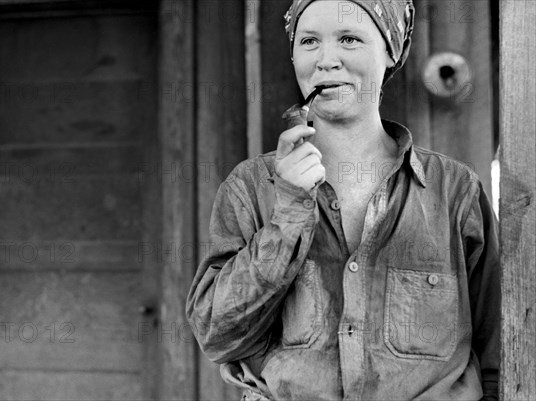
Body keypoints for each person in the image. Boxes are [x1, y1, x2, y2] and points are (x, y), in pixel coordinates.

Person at [186, 0, 500, 400]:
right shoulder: (250, 187)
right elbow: (216, 334)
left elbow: (499, 352)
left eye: (349, 39)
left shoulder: (455, 191)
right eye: (309, 41)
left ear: (390, 50)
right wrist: (288, 216)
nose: (325, 60)